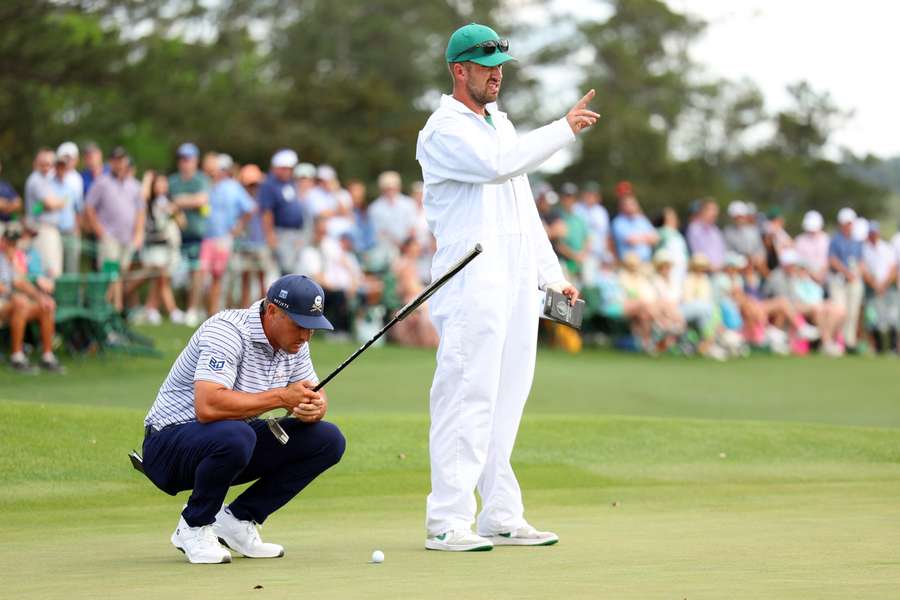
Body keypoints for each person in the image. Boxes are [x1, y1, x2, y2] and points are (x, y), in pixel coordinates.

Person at [415, 22, 597, 551]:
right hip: (470, 280)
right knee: (465, 395)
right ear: (459, 70)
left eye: (500, 66)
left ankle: (499, 513)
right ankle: (447, 520)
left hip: (516, 280)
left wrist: (553, 276)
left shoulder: (501, 123)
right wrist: (563, 128)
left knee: (506, 398)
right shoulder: (443, 130)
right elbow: (496, 168)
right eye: (486, 65)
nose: (496, 75)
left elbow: (522, 210)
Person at [140, 275, 345, 564]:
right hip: (168, 445)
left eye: (312, 328)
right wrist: (281, 398)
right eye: (299, 325)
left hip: (229, 439)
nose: (306, 336)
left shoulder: (295, 344)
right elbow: (208, 406)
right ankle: (193, 526)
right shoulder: (227, 331)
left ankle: (238, 520)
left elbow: (309, 393)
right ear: (272, 311)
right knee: (238, 435)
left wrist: (315, 407)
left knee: (327, 440)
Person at [84, 147, 145, 312]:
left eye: (122, 159)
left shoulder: (134, 185)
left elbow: (140, 211)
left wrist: (138, 234)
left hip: (127, 237)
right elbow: (89, 207)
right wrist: (100, 231)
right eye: (116, 160)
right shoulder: (102, 183)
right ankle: (111, 307)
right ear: (110, 162)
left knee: (121, 274)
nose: (119, 163)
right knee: (111, 272)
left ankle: (109, 307)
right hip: (109, 236)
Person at [0, 223, 64, 372]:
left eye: (14, 242)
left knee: (45, 306)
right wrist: (12, 291)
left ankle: (47, 357)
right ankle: (17, 357)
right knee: (20, 302)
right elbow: (8, 286)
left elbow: (21, 282)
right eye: (8, 241)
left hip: (11, 303)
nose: (11, 245)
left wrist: (40, 297)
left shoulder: (12, 259)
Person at [200, 154, 254, 316]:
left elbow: (249, 208)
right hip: (208, 238)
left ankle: (218, 312)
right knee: (204, 277)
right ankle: (209, 311)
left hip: (224, 239)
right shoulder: (210, 186)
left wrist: (238, 227)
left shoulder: (232, 186)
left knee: (221, 278)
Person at [168, 142, 210, 327]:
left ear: (195, 161)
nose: (185, 162)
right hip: (176, 235)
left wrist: (179, 202)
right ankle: (171, 309)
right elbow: (167, 203)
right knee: (167, 272)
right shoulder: (173, 181)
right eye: (182, 159)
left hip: (197, 234)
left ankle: (192, 309)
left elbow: (201, 200)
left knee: (196, 273)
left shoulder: (201, 179)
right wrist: (182, 205)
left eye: (188, 159)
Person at [140, 171, 184, 324]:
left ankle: (150, 309)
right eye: (158, 183)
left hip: (168, 247)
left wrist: (174, 211)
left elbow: (182, 223)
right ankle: (172, 310)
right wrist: (147, 179)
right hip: (154, 247)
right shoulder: (150, 201)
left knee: (159, 280)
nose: (162, 186)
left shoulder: (170, 201)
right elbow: (143, 197)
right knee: (161, 278)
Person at [259, 149, 305, 276]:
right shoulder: (269, 185)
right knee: (284, 269)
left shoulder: (290, 184)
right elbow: (266, 212)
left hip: (294, 234)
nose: (288, 172)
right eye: (285, 168)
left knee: (294, 270)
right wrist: (270, 235)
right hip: (280, 233)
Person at [235, 164, 274, 308]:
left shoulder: (263, 198)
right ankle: (245, 309)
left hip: (260, 242)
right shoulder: (241, 198)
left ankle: (263, 310)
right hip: (245, 243)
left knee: (262, 279)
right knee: (245, 278)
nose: (253, 187)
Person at [24, 148, 66, 279]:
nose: (46, 167)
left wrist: (54, 204)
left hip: (50, 230)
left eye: (49, 163)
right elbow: (51, 204)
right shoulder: (36, 180)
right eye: (43, 163)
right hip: (42, 230)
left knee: (53, 272)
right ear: (36, 163)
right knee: (47, 272)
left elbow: (54, 204)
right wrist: (57, 204)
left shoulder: (48, 180)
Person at [828, 207, 864, 352]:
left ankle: (849, 342)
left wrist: (856, 273)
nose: (847, 226)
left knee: (852, 312)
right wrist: (847, 272)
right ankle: (838, 340)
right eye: (845, 223)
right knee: (840, 311)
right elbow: (832, 260)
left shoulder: (857, 241)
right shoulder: (835, 240)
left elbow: (861, 260)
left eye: (849, 223)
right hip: (839, 279)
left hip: (854, 279)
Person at [860, 221, 898, 353]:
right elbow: (863, 269)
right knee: (873, 318)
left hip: (888, 287)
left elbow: (893, 268)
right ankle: (878, 347)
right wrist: (874, 284)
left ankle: (893, 347)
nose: (873, 235)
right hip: (872, 288)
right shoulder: (864, 249)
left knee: (892, 317)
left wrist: (884, 284)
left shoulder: (887, 248)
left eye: (875, 232)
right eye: (871, 232)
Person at [48, 151, 83, 274]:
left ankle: (72, 293)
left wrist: (77, 228)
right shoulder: (47, 185)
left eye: (64, 166)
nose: (61, 169)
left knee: (72, 268)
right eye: (59, 165)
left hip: (70, 231)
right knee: (54, 268)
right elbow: (37, 209)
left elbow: (78, 209)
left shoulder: (72, 186)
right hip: (54, 231)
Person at [610, 182, 657, 263]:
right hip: (629, 263)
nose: (631, 206)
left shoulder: (641, 219)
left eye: (633, 204)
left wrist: (639, 238)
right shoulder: (618, 222)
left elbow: (655, 238)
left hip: (646, 261)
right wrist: (646, 238)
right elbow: (631, 240)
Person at [368, 171, 418, 247]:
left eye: (392, 188)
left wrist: (405, 244)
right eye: (387, 188)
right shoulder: (375, 208)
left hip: (408, 246)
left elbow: (412, 227)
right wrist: (395, 242)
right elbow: (378, 231)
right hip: (386, 247)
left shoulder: (409, 203)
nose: (390, 191)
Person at [554, 182, 590, 281]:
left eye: (571, 197)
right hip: (564, 263)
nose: (568, 200)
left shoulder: (579, 218)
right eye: (566, 197)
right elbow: (558, 245)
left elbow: (587, 238)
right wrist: (575, 256)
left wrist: (582, 254)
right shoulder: (557, 217)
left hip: (580, 263)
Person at [686, 199, 726, 270]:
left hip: (719, 271)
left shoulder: (715, 230)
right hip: (702, 272)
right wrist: (710, 266)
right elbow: (696, 252)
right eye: (712, 210)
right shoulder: (694, 228)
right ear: (703, 211)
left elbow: (722, 252)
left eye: (716, 210)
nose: (715, 213)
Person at [794, 210, 829, 284]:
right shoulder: (800, 240)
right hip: (806, 278)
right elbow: (798, 262)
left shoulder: (826, 239)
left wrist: (821, 274)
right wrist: (812, 274)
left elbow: (829, 260)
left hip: (824, 276)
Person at [0, 158, 23, 224]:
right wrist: (10, 204)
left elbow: (19, 203)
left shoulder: (5, 185)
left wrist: (5, 206)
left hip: (10, 222)